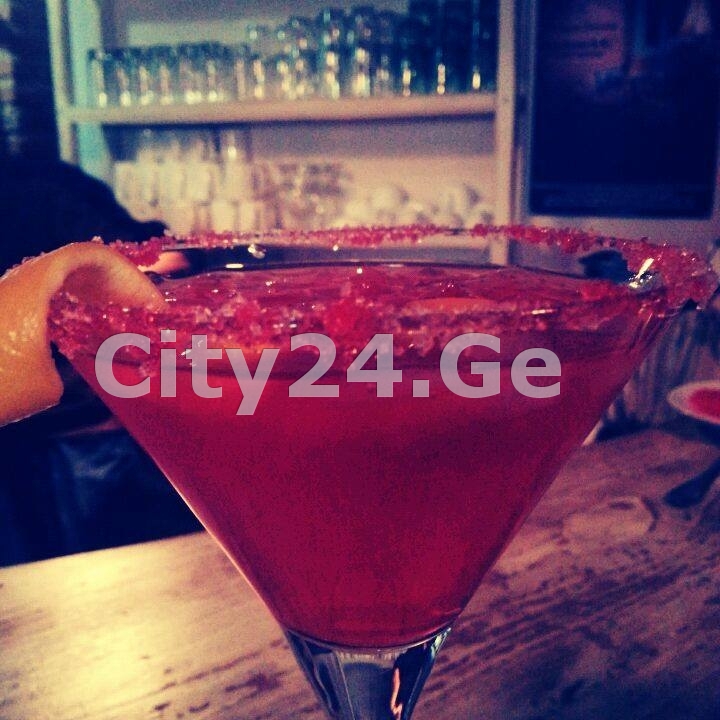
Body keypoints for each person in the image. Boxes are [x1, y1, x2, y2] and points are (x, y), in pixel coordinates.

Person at [0, 159, 200, 567]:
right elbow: (159, 261)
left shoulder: (41, 186)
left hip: (58, 434)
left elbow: (135, 261)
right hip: (77, 440)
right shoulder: (45, 184)